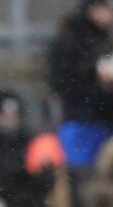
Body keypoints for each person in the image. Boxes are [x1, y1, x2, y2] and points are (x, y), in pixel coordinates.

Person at [48, 0, 113, 172]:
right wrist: (95, 75)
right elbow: (61, 81)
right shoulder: (72, 39)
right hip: (80, 120)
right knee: (81, 173)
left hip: (103, 119)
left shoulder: (103, 39)